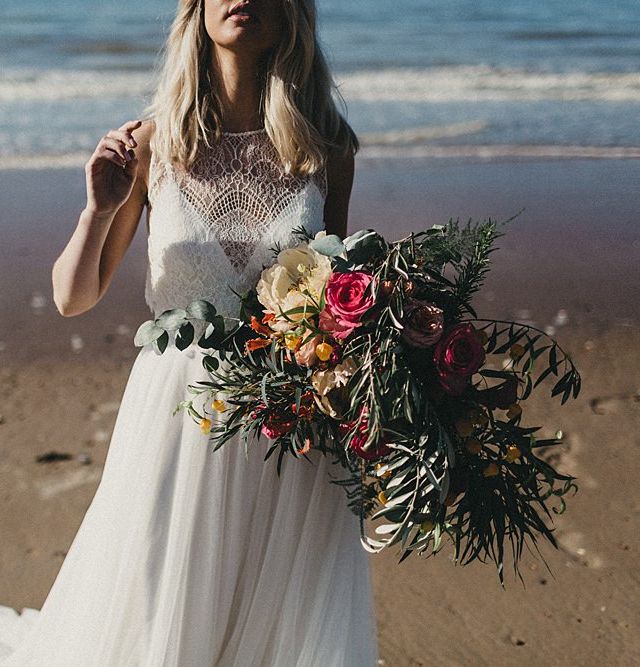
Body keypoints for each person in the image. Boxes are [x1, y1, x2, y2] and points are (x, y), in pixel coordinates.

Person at [0, 1, 378, 664]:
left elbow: (336, 303)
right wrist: (99, 208)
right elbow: (72, 296)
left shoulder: (328, 147)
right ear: (196, 11)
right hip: (180, 407)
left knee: (269, 596)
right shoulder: (151, 144)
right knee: (159, 592)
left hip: (287, 412)